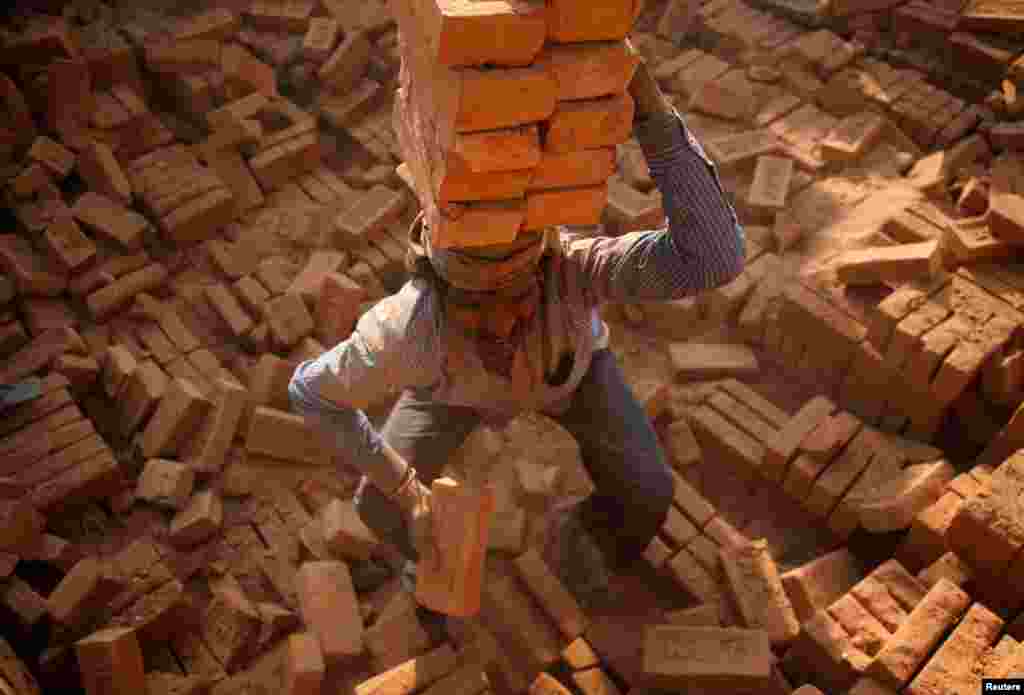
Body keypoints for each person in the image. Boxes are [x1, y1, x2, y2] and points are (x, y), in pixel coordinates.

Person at [289, 57, 745, 619]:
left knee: (647, 490)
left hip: (572, 375)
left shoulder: (574, 267)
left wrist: (650, 113)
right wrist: (408, 492)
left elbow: (713, 259)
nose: (503, 325)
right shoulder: (407, 328)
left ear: (547, 264)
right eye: (478, 307)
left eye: (520, 296)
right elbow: (310, 392)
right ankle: (431, 564)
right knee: (380, 509)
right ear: (439, 289)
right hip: (451, 393)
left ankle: (582, 540)